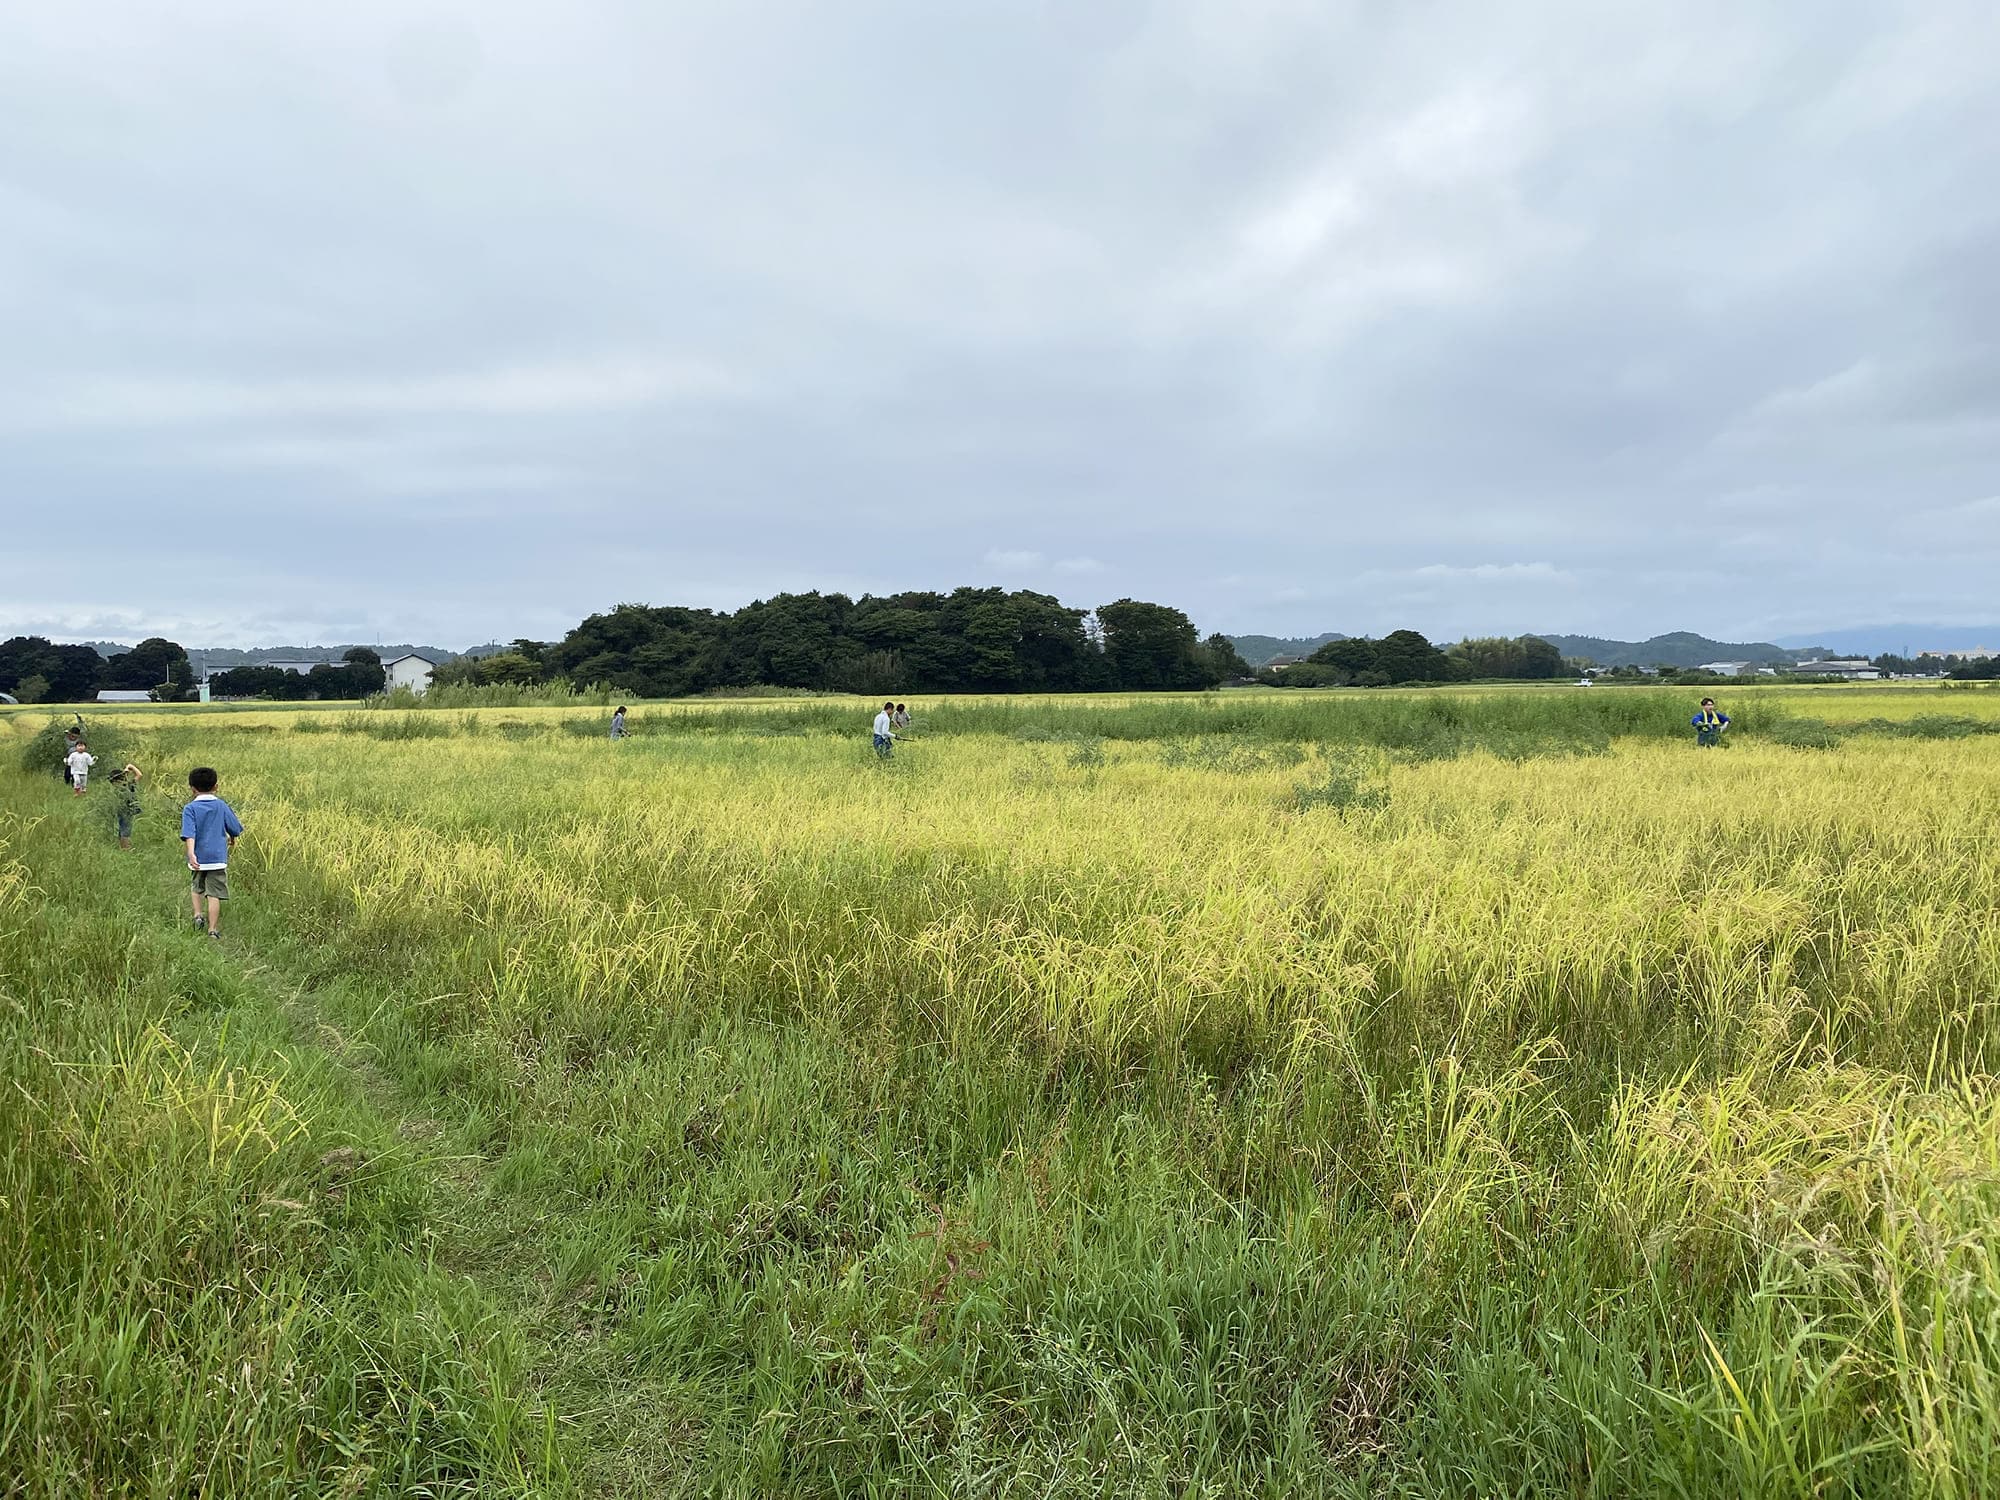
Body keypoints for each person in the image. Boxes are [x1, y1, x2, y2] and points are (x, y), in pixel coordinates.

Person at [182, 766, 244, 939]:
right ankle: (213, 930)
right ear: (216, 786)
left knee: (197, 887)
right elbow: (235, 828)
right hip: (217, 858)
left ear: (192, 788)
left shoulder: (190, 809)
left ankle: (197, 915)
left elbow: (189, 833)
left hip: (198, 858)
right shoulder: (221, 806)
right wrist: (232, 836)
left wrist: (191, 853)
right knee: (214, 893)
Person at [108, 763, 143, 849]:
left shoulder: (117, 789)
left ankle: (122, 846)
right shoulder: (128, 786)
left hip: (121, 811)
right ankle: (126, 848)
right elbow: (139, 774)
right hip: (127, 812)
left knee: (122, 828)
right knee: (126, 830)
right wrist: (130, 767)